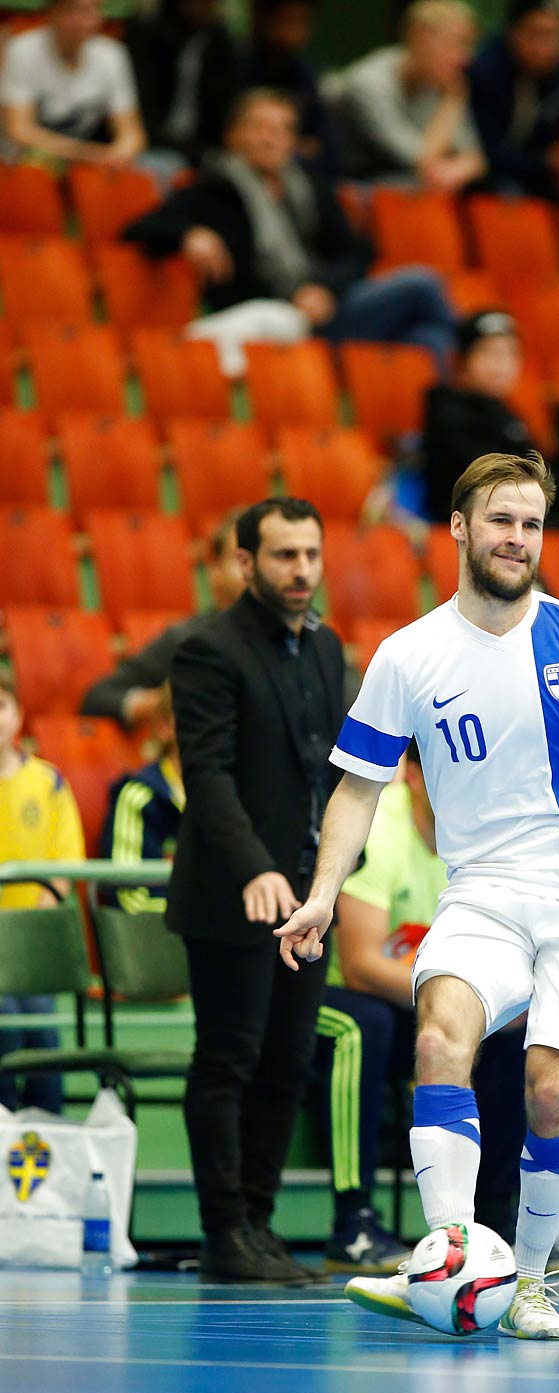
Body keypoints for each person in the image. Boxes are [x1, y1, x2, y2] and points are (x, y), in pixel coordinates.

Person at [276, 449, 559, 1339]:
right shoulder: (408, 654)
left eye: (531, 523)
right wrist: (324, 891)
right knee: (441, 1034)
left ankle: (527, 1285)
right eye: (500, 520)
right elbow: (360, 788)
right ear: (458, 529)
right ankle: (448, 1253)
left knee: (549, 1087)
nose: (517, 539)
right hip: (480, 890)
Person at [167, 497, 347, 1285]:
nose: (301, 570)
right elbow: (206, 778)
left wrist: (329, 875)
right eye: (283, 556)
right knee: (228, 1061)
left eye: (310, 553)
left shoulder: (327, 647)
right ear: (245, 563)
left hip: (306, 898)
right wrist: (256, 868)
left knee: (287, 1062)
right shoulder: (208, 650)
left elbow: (327, 771)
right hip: (233, 895)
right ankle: (223, 1234)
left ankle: (261, 1226)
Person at [311, 738, 530, 1274]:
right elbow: (361, 962)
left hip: (426, 999)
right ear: (410, 775)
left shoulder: (493, 837)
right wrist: (461, 998)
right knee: (366, 1028)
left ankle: (496, 1225)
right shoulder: (378, 828)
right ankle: (353, 1223)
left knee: (513, 1032)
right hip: (339, 994)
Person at [122, 88, 456, 371]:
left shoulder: (309, 185)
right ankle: (476, 360)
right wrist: (189, 234)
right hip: (274, 317)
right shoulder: (215, 188)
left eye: (281, 130)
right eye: (259, 127)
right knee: (423, 284)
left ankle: (418, 438)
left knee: (427, 337)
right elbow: (139, 227)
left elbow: (358, 251)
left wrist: (323, 289)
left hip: (328, 308)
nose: (270, 138)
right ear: (233, 134)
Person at [0, 666, 85, 1114]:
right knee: (6, 1025)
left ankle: (51, 1133)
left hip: (35, 947)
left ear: (18, 715)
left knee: (43, 1032)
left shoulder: (48, 782)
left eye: (0, 706)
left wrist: (32, 926)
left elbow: (63, 864)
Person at [80, 514, 246, 731]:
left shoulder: (299, 635)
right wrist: (164, 702)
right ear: (215, 572)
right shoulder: (189, 639)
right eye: (243, 560)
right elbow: (99, 698)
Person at [334, 1, 485, 192]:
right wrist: (452, 101)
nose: (465, 58)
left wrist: (454, 171)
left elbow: (475, 158)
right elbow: (421, 160)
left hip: (406, 184)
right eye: (455, 44)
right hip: (350, 186)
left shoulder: (441, 81)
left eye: (468, 46)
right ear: (419, 37)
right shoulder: (368, 82)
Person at [468, 0, 559, 201]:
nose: (547, 47)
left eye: (556, 35)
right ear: (514, 31)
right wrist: (545, 162)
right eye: (539, 34)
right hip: (496, 179)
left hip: (550, 180)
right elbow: (486, 151)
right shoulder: (485, 72)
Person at [422, 309, 537, 524]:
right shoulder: (446, 412)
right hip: (466, 523)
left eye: (511, 353)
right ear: (462, 361)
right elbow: (482, 479)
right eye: (489, 352)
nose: (501, 363)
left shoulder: (509, 415)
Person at [0, 0, 146, 167]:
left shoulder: (112, 55)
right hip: (22, 162)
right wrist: (88, 154)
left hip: (86, 164)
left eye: (91, 11)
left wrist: (119, 153)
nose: (82, 21)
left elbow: (132, 134)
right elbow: (19, 130)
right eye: (72, 11)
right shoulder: (22, 50)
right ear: (52, 13)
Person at [125, 0, 240, 169]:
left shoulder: (219, 39)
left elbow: (225, 106)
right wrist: (197, 153)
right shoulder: (147, 32)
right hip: (152, 144)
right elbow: (141, 113)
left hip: (204, 148)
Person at [99, 684, 183, 915]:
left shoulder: (238, 797)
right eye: (197, 716)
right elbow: (128, 897)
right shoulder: (139, 796)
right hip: (154, 942)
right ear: (166, 726)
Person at [243, 0, 340, 180]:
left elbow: (327, 147)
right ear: (266, 20)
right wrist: (294, 146)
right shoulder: (236, 66)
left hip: (297, 174)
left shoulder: (305, 72)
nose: (294, 32)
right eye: (288, 20)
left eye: (303, 21)